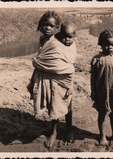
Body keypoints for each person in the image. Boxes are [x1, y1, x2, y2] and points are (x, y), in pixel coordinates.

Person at [28, 16, 77, 148]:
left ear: (56, 28)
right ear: (40, 25)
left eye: (51, 26)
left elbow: (70, 59)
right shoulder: (42, 39)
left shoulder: (60, 41)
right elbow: (43, 57)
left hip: (62, 77)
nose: (47, 28)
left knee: (67, 101)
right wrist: (41, 64)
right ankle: (54, 131)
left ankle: (69, 129)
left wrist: (52, 67)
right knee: (53, 103)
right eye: (45, 24)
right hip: (48, 77)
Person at [90, 29, 113, 150]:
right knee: (102, 113)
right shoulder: (97, 59)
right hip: (101, 92)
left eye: (112, 45)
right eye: (106, 45)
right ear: (101, 44)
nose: (109, 47)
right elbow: (93, 77)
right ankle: (102, 135)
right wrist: (93, 92)